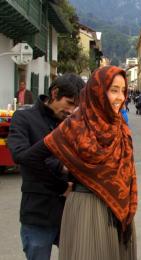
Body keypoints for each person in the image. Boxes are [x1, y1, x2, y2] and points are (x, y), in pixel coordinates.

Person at [17, 66, 137, 259]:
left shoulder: (120, 128)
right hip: (86, 210)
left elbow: (128, 174)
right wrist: (60, 185)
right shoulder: (76, 125)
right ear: (97, 91)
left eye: (123, 91)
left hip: (116, 213)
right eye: (114, 90)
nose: (120, 97)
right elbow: (29, 158)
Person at [8, 73, 85, 260]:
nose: (71, 110)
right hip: (37, 213)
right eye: (69, 103)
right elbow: (21, 156)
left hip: (71, 212)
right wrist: (61, 165)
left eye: (77, 106)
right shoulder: (23, 118)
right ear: (54, 92)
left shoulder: (75, 123)